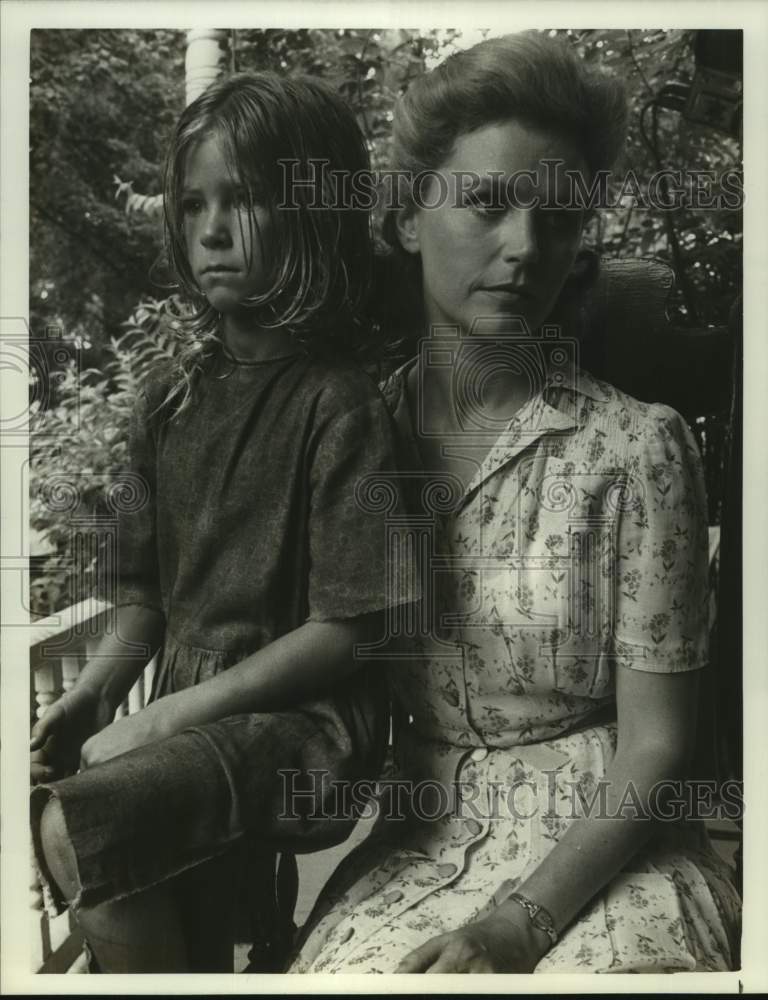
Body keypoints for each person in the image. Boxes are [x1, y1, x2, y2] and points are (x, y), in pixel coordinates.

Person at [289, 32, 741, 974]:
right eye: (488, 203)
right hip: (415, 847)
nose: (527, 247)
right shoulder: (349, 444)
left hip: (609, 852)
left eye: (559, 217)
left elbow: (659, 746)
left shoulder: (638, 449)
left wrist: (517, 926)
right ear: (408, 217)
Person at [29, 71, 413, 973]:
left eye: (243, 200)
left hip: (308, 722)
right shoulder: (167, 401)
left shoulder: (341, 404)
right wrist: (95, 695)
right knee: (124, 849)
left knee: (85, 826)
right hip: (193, 708)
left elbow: (350, 631)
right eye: (193, 203)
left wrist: (161, 721)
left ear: (311, 215)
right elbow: (144, 601)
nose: (210, 230)